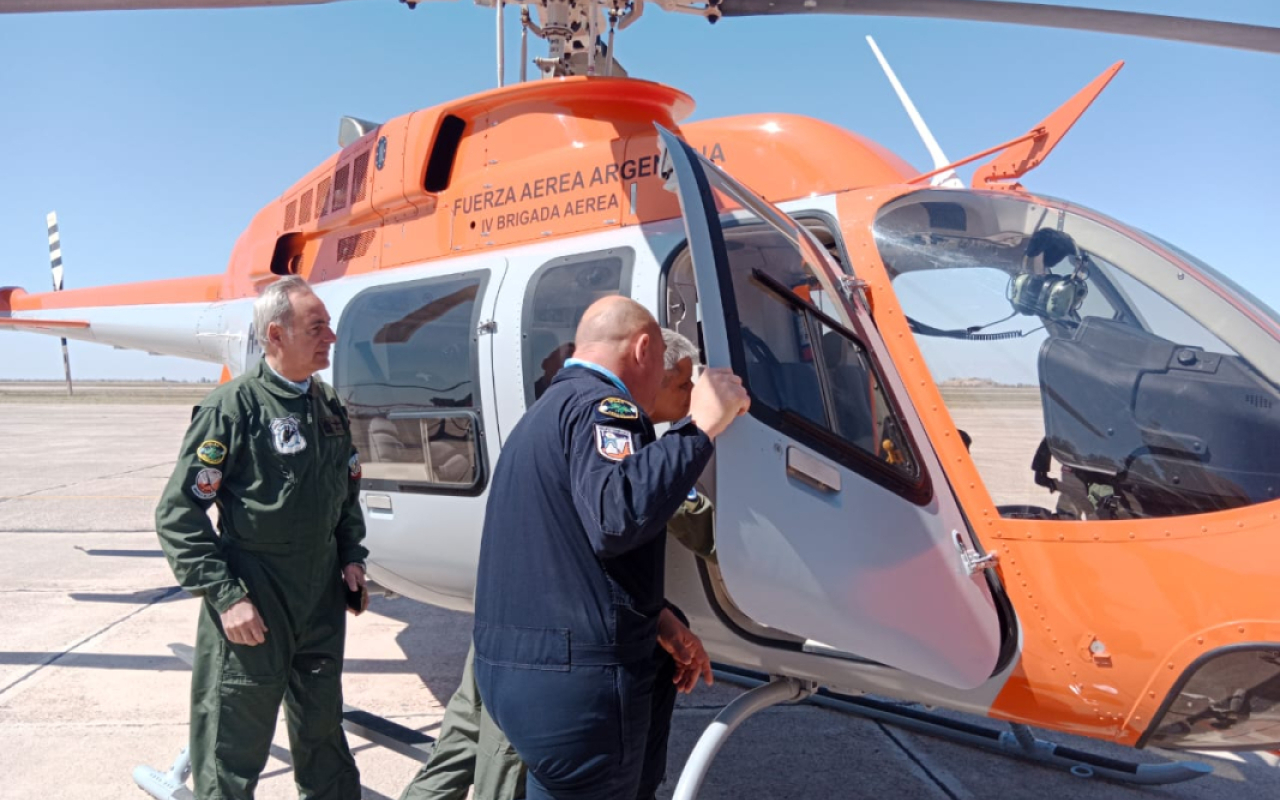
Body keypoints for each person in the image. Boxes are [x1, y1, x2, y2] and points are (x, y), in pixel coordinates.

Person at [398, 328, 717, 800]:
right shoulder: (620, 433)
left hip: (505, 627)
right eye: (684, 385)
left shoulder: (554, 418)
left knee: (466, 735)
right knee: (503, 763)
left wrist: (657, 616)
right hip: (551, 647)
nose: (690, 397)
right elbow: (674, 523)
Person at [471, 297, 749, 800]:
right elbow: (615, 519)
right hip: (576, 689)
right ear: (645, 348)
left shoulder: (546, 413)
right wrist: (699, 428)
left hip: (514, 675)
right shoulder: (607, 408)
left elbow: (564, 551)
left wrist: (657, 618)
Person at [155, 275, 368, 800]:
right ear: (276, 334)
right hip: (255, 599)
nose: (331, 338)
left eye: (329, 326)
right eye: (317, 327)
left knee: (323, 737)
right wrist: (226, 597)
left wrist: (351, 556)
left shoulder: (328, 405)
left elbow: (344, 492)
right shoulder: (233, 409)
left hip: (318, 600)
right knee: (232, 749)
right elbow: (179, 513)